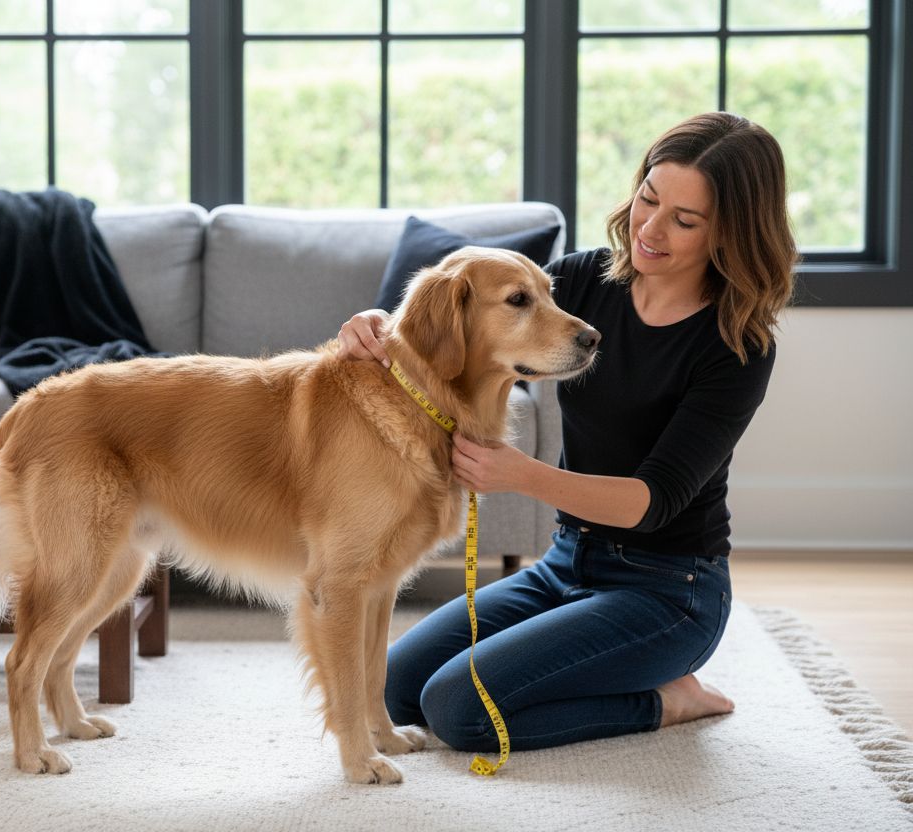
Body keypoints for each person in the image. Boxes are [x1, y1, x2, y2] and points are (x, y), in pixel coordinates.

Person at [336, 112, 797, 753]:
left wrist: (521, 475)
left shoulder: (736, 346)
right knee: (396, 687)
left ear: (732, 232)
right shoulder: (585, 281)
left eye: (684, 220)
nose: (650, 230)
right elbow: (472, 314)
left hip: (668, 590)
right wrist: (377, 323)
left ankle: (667, 699)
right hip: (564, 564)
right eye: (648, 199)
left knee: (460, 711)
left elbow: (653, 501)